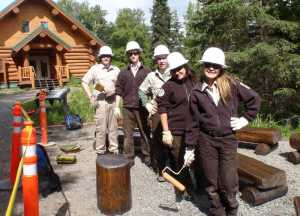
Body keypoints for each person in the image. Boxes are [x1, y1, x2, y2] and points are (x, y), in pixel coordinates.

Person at [184, 47, 261, 216]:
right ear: (203, 66)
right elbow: (192, 122)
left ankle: (232, 210)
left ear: (221, 68)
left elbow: (254, 99)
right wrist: (189, 148)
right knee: (211, 181)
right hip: (206, 141)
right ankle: (217, 211)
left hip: (227, 140)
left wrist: (245, 119)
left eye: (216, 65)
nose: (212, 68)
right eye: (208, 65)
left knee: (229, 181)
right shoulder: (197, 91)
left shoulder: (231, 84)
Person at [156, 52, 196, 200]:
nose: (177, 72)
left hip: (194, 128)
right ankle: (183, 188)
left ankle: (199, 185)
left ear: (185, 67)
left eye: (180, 68)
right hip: (177, 130)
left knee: (195, 159)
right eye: (173, 70)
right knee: (180, 161)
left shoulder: (193, 81)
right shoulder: (167, 86)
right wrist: (166, 131)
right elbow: (162, 109)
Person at [115, 41, 151, 167]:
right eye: (130, 53)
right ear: (128, 55)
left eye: (135, 52)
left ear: (139, 54)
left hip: (142, 108)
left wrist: (151, 106)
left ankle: (147, 157)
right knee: (127, 135)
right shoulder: (123, 72)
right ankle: (128, 159)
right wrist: (116, 107)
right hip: (127, 108)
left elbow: (151, 91)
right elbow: (118, 90)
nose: (133, 55)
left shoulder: (147, 71)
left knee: (144, 132)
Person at [138, 44, 171, 181]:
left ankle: (177, 171)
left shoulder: (175, 72)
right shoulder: (151, 76)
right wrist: (146, 104)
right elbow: (141, 91)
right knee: (158, 142)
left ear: (168, 58)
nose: (161, 61)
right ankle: (161, 170)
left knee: (175, 142)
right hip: (157, 113)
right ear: (155, 60)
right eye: (159, 58)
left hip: (175, 112)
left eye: (164, 58)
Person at [82, 45, 120, 155]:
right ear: (100, 57)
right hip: (100, 102)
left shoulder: (116, 69)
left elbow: (120, 87)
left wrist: (114, 93)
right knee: (101, 129)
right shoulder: (95, 69)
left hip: (112, 102)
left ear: (111, 57)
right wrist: (90, 97)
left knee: (113, 128)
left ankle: (114, 150)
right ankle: (100, 151)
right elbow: (84, 82)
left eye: (108, 56)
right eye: (103, 56)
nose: (106, 58)